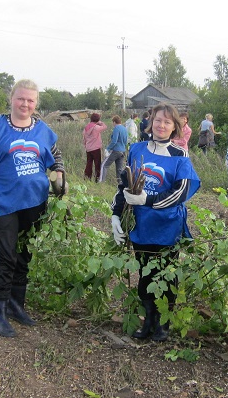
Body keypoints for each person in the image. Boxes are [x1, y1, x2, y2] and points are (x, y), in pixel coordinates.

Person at [0, 79, 66, 338]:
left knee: (24, 253)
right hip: (1, 200)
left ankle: (17, 306)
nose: (25, 104)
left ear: (36, 103)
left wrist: (59, 175)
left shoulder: (42, 130)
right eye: (21, 99)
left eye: (30, 100)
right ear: (11, 98)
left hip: (34, 201)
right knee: (5, 256)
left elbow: (56, 156)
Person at [110, 103, 200, 342]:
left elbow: (180, 193)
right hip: (142, 225)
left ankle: (163, 324)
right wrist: (116, 215)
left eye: (167, 122)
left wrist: (147, 199)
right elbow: (124, 185)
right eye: (158, 120)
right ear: (151, 122)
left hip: (168, 226)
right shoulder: (137, 149)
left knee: (167, 275)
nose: (162, 125)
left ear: (175, 127)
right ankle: (148, 321)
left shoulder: (179, 156)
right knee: (145, 274)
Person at [99, 115, 128, 184]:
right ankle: (120, 184)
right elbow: (126, 141)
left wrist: (108, 148)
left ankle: (101, 182)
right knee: (119, 169)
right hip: (122, 151)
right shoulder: (124, 129)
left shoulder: (116, 128)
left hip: (116, 150)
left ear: (114, 122)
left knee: (104, 165)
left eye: (113, 122)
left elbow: (114, 141)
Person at [82, 113, 107, 182]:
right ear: (97, 119)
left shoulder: (86, 127)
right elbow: (105, 127)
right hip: (96, 148)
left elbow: (84, 138)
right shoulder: (96, 128)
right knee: (97, 164)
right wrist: (100, 122)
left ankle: (87, 178)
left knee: (89, 163)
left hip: (88, 148)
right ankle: (97, 178)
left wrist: (85, 145)